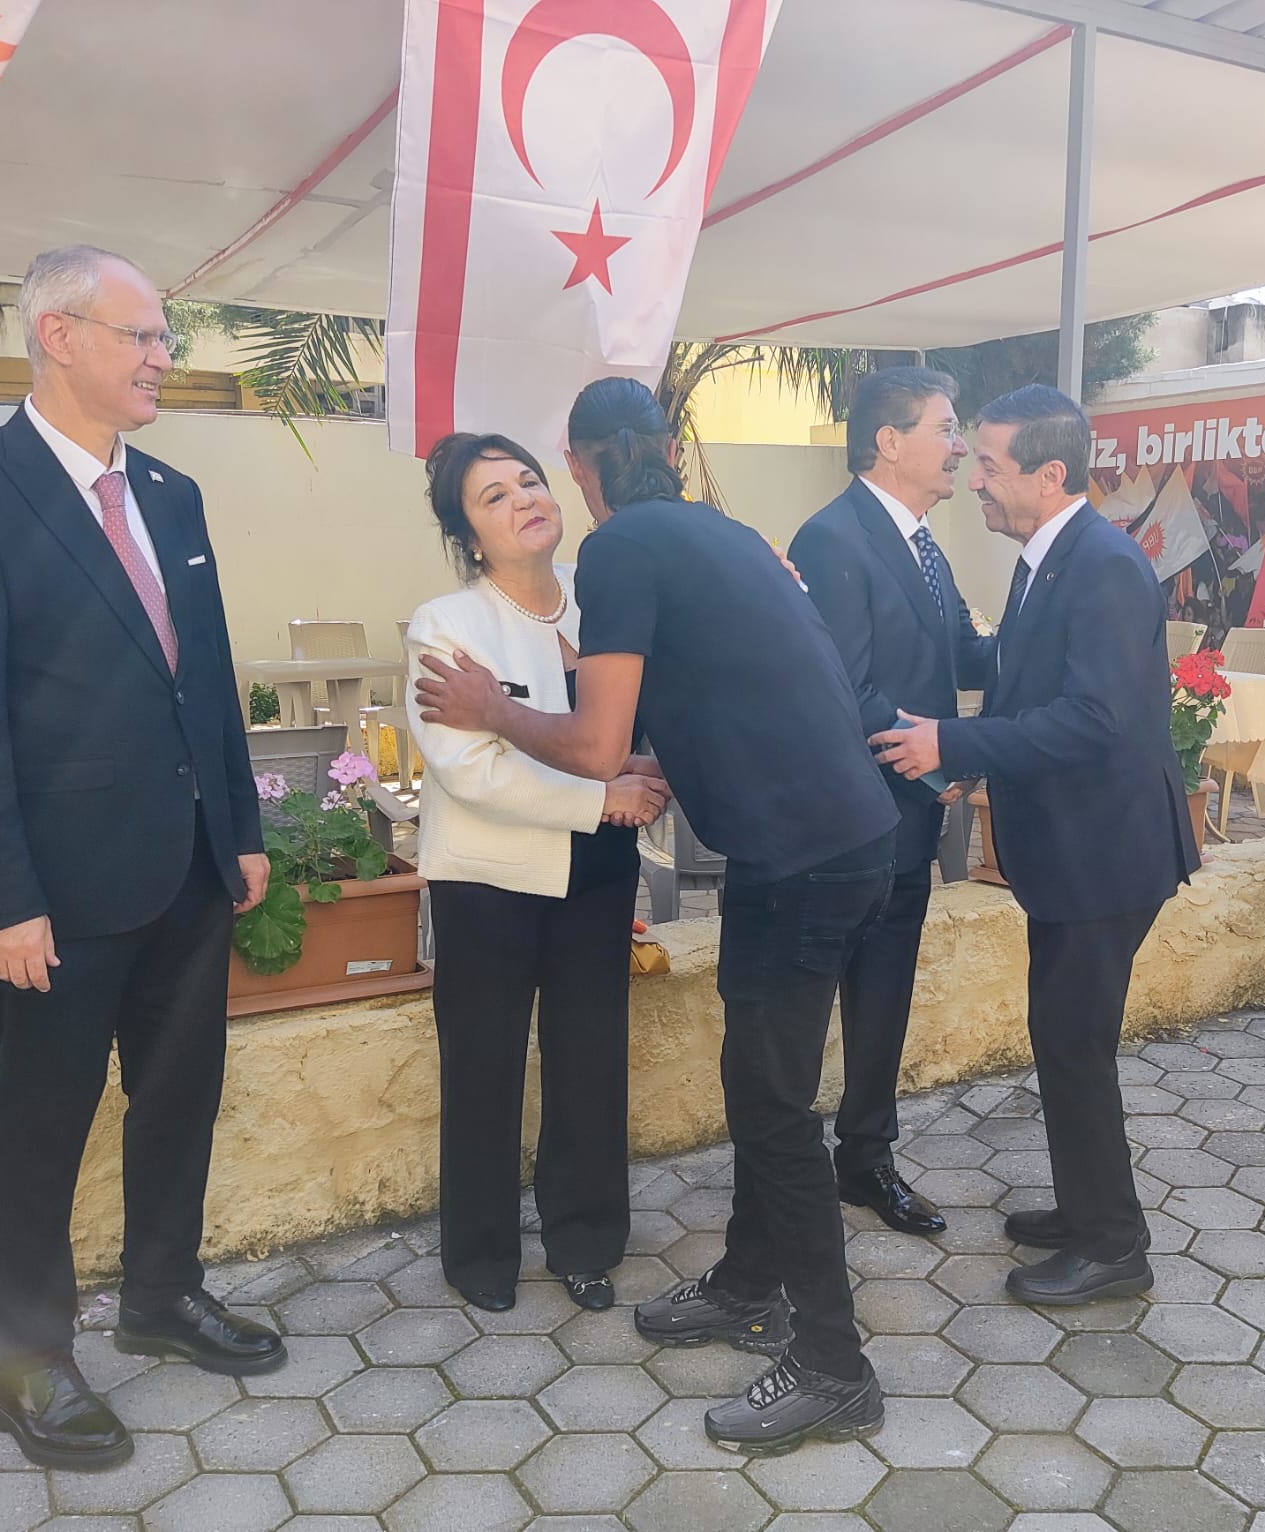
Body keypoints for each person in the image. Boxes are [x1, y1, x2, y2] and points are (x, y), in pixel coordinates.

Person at [415, 377, 899, 1455]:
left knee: (773, 1108)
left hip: (805, 857)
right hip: (824, 842)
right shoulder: (721, 534)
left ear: (579, 467)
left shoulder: (620, 550)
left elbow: (594, 745)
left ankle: (833, 1365)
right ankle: (746, 1284)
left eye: (538, 477)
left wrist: (491, 707)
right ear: (668, 448)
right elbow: (718, 690)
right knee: (755, 1082)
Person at [0, 247, 285, 1471]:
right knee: (41, 1123)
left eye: (164, 337)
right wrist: (2, 897)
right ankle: (27, 1365)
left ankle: (161, 1296)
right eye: (143, 335)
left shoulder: (170, 492)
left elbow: (203, 673)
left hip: (185, 869)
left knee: (180, 1096)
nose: (163, 357)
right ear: (58, 336)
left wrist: (240, 829)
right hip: (52, 894)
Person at [873, 385, 1197, 1305]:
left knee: (1073, 1042)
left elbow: (1094, 719)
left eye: (990, 465)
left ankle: (1114, 1247)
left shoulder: (1103, 566)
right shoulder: (1047, 558)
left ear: (1050, 474)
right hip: (1072, 850)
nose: (974, 479)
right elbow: (1023, 683)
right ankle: (1086, 1208)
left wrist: (953, 742)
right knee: (1063, 1037)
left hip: (1107, 854)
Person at [405, 432, 671, 1314]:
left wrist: (650, 773)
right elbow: (468, 770)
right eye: (494, 496)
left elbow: (643, 726)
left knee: (590, 1057)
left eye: (529, 480)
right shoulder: (448, 624)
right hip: (489, 879)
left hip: (599, 869)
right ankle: (479, 1254)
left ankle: (585, 1239)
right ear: (468, 535)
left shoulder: (604, 606)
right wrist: (601, 798)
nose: (523, 499)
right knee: (483, 1064)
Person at [788, 367, 993, 1239]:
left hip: (908, 820)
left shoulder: (923, 544)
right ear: (889, 441)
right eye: (946, 428)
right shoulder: (833, 537)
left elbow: (962, 656)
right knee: (815, 1009)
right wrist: (937, 760)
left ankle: (865, 1158)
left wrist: (1050, 635)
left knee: (885, 998)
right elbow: (846, 686)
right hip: (848, 824)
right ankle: (787, 1177)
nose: (960, 447)